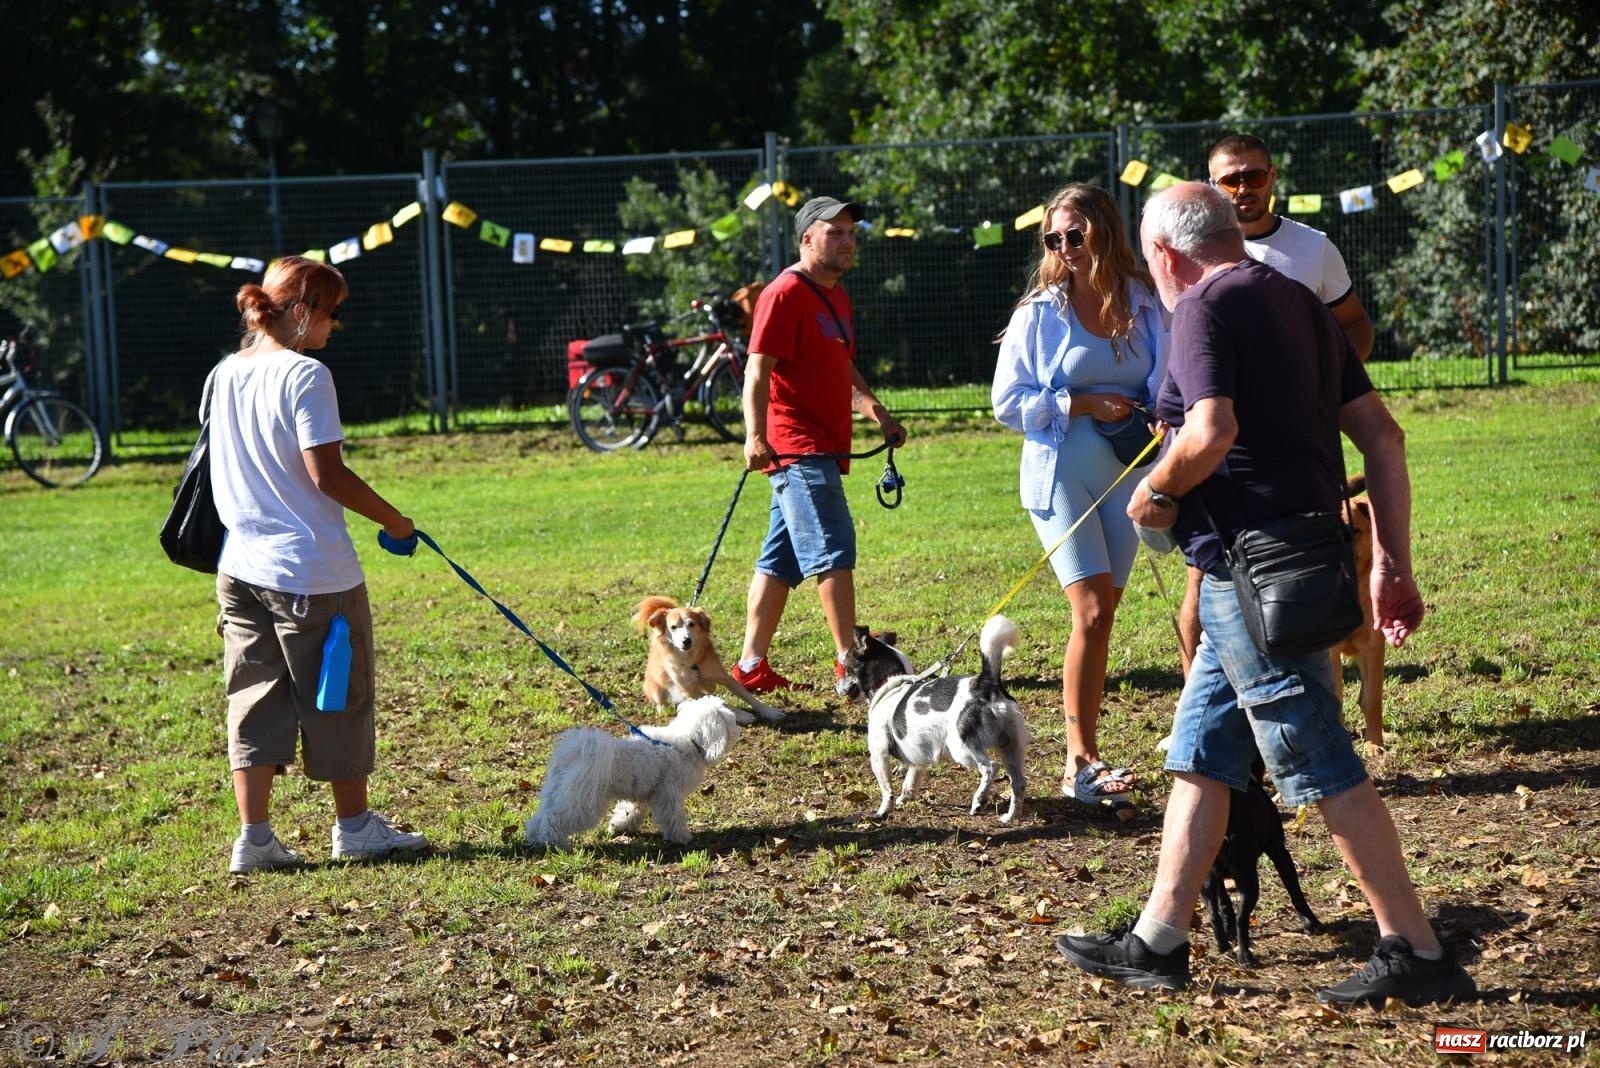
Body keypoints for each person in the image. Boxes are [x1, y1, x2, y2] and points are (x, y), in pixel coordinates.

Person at [1057, 182, 1474, 1008]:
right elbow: (1384, 438)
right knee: (1202, 755)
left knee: (1316, 756)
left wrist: (1157, 492)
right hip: (1283, 563)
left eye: (1148, 256)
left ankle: (1416, 948)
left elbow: (1210, 432)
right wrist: (1391, 560)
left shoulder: (1207, 306)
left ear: (1166, 254)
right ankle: (1158, 939)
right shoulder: (1299, 300)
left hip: (1256, 574)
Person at [210, 256, 428, 873]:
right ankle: (354, 828)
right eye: (331, 312)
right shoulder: (308, 375)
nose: (336, 324)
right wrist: (394, 519)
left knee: (252, 698)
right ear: (302, 311)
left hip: (240, 566)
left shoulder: (224, 374)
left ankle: (254, 840)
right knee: (339, 695)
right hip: (312, 569)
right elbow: (325, 473)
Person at [991, 183, 1168, 807]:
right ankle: (1079, 763)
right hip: (1061, 472)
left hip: (1127, 472)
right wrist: (1081, 401)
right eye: (1053, 239)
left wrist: (1160, 413)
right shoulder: (1040, 311)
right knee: (1089, 610)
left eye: (1075, 235)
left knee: (1105, 617)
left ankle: (1084, 753)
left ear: (1104, 232)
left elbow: (1169, 377)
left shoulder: (1146, 299)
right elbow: (1008, 403)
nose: (1065, 248)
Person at [1174, 133, 1377, 675]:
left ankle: (1303, 674)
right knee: (1204, 572)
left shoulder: (1311, 248)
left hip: (1294, 437)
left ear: (1273, 177)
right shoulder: (1188, 253)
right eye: (1230, 179)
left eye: (1254, 176)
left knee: (1300, 557)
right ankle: (1203, 697)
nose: (1243, 188)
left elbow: (1355, 324)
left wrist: (1327, 381)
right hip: (1213, 431)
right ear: (1212, 185)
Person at [731, 196, 907, 700]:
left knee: (780, 561)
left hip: (824, 445)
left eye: (852, 232)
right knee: (833, 548)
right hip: (796, 447)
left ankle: (749, 665)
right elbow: (757, 370)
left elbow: (842, 367)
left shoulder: (837, 297)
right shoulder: (784, 293)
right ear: (807, 238)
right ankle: (850, 666)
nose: (848, 240)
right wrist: (754, 434)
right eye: (835, 232)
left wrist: (877, 411)